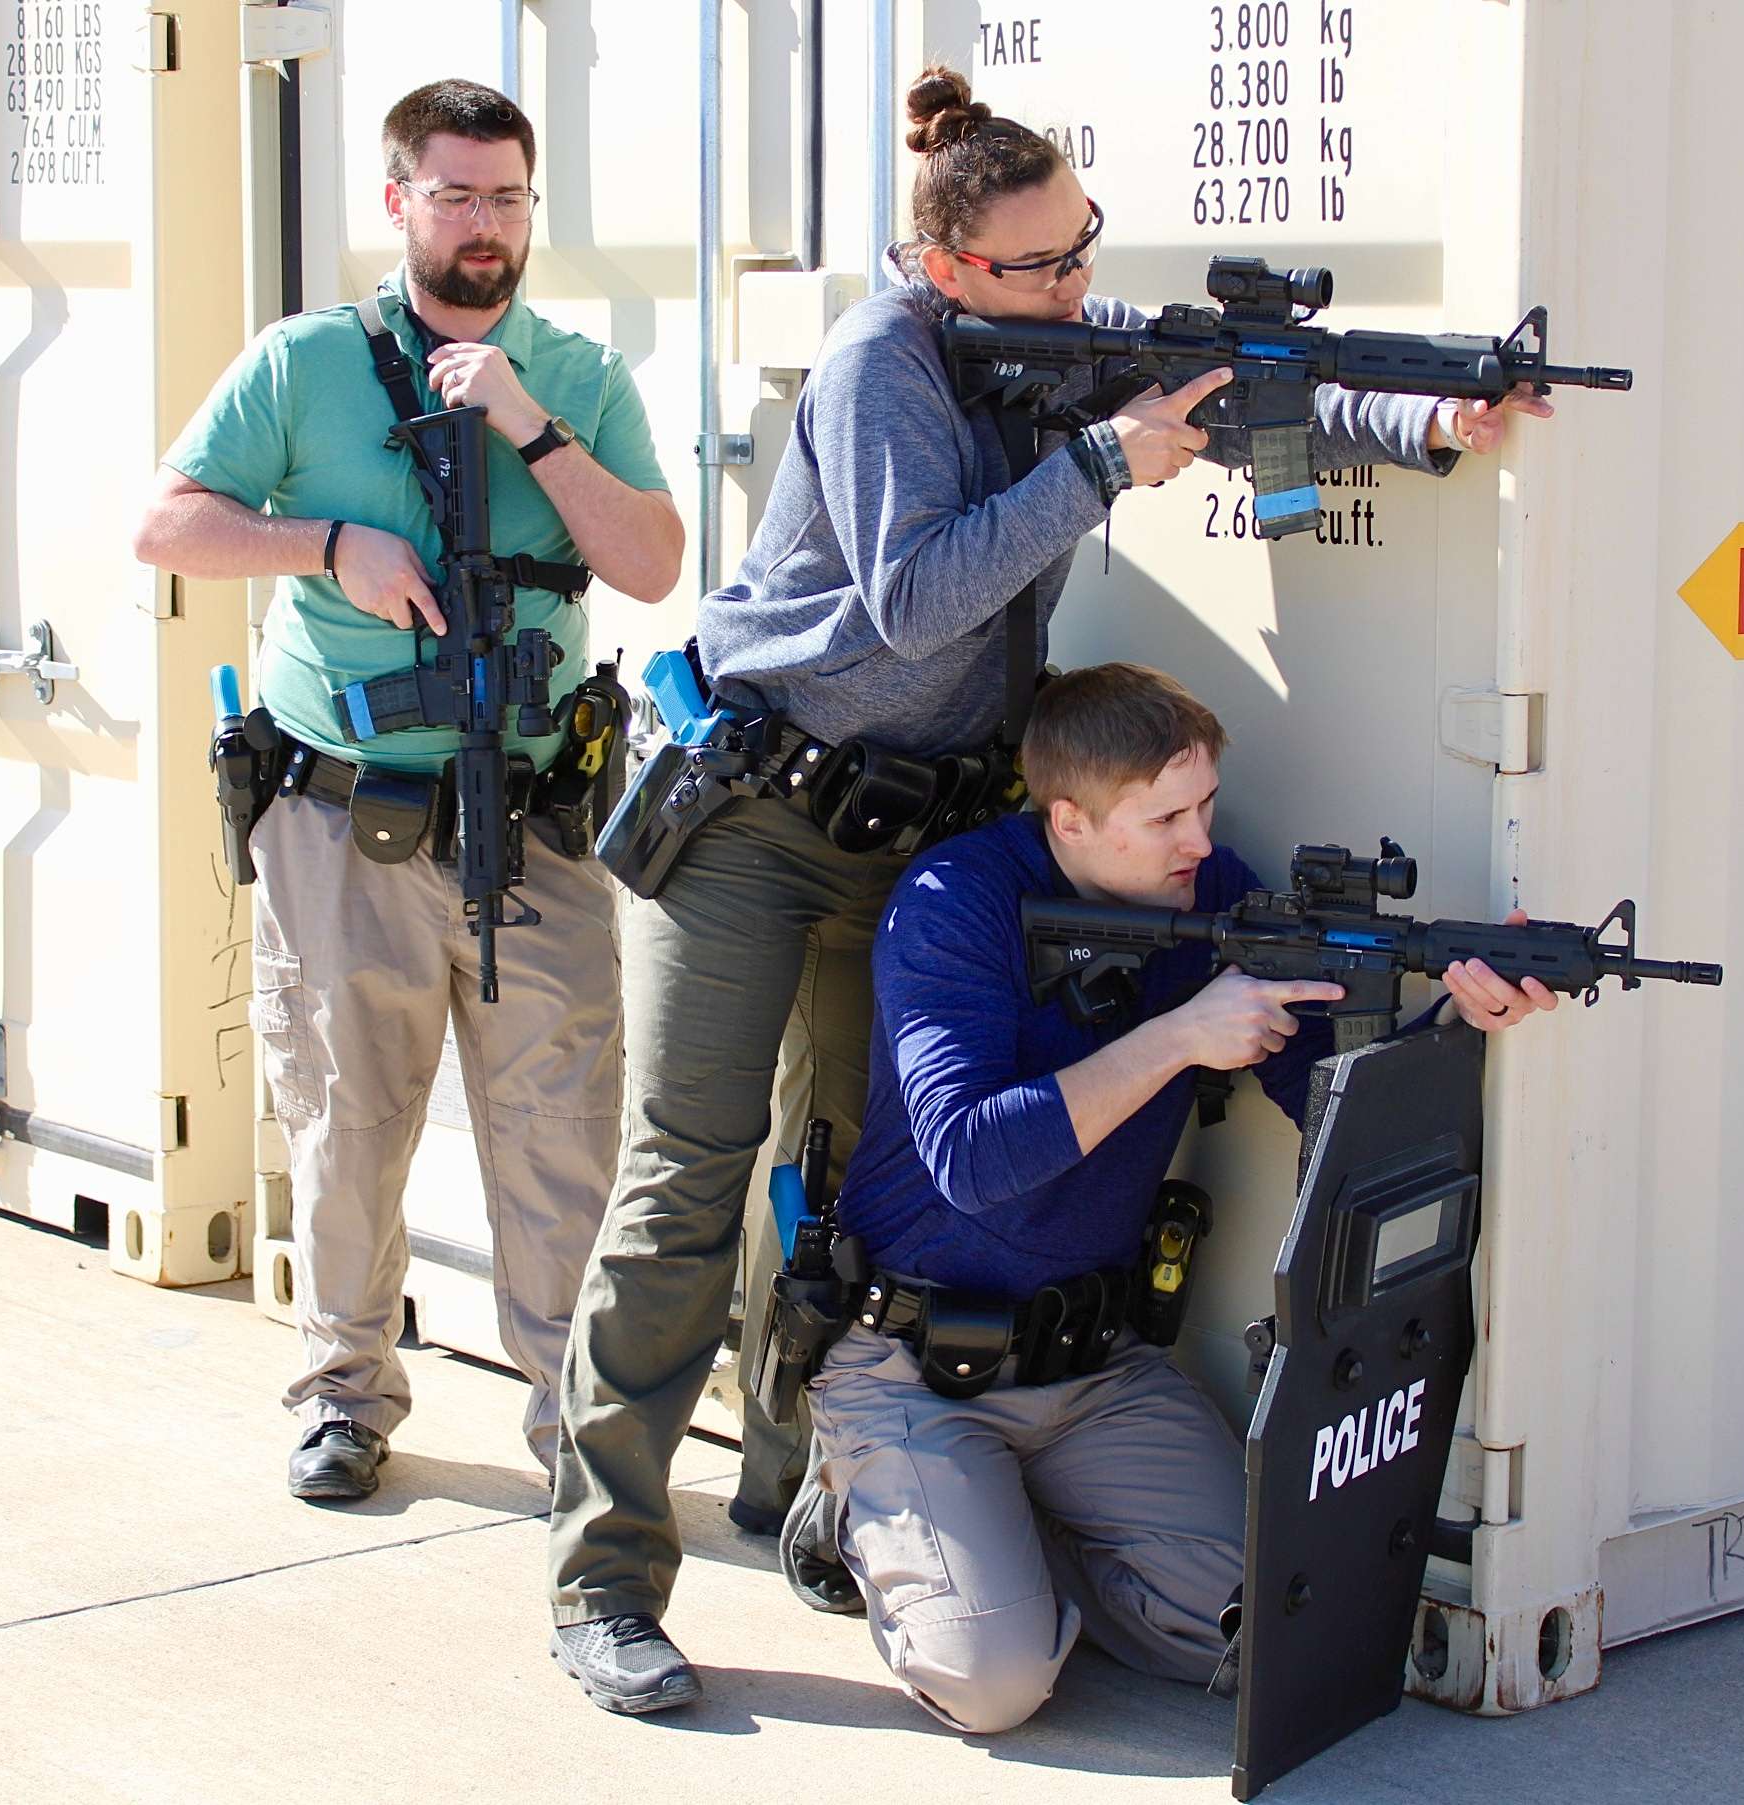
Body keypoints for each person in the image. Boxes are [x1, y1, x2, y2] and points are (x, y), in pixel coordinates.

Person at [546, 63, 1547, 1713]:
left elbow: (1242, 385)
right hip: (751, 820)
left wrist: (1431, 417)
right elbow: (916, 596)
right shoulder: (882, 362)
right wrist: (1099, 469)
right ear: (950, 272)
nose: (1082, 289)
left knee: (865, 1173)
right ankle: (605, 1581)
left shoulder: (1051, 318)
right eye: (1046, 268)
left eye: (1088, 251)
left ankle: (816, 1488)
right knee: (686, 1178)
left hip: (911, 831)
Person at [803, 662, 1559, 1732]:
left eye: (1204, 803)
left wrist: (1452, 1018)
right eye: (1166, 816)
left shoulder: (1209, 892)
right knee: (995, 1682)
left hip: (1093, 1365)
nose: (1201, 841)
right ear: (1069, 817)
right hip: (916, 1358)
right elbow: (968, 1155)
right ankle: (860, 1508)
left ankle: (1000, 1539)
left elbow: (1324, 1101)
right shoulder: (954, 902)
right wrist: (1176, 1038)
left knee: (1277, 1625)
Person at [132, 79, 681, 1501]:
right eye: (454, 195)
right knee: (343, 1122)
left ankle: (577, 1427)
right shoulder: (304, 362)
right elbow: (166, 523)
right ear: (398, 202)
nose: (484, 224)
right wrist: (327, 547)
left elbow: (650, 562)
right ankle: (343, 1392)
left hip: (541, 821)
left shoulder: (576, 370)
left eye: (507, 197)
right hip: (341, 819)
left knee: (563, 1141)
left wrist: (530, 426)